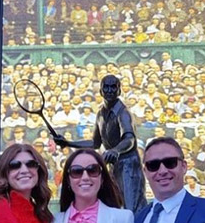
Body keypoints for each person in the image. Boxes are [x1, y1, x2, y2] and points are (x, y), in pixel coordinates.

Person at [53, 74, 147, 214]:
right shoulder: (101, 114)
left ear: (119, 90)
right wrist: (68, 143)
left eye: (113, 87)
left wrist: (115, 150)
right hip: (114, 165)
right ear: (101, 90)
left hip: (128, 165)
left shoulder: (123, 113)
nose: (109, 91)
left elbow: (129, 139)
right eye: (106, 87)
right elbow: (95, 142)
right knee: (115, 206)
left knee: (131, 209)